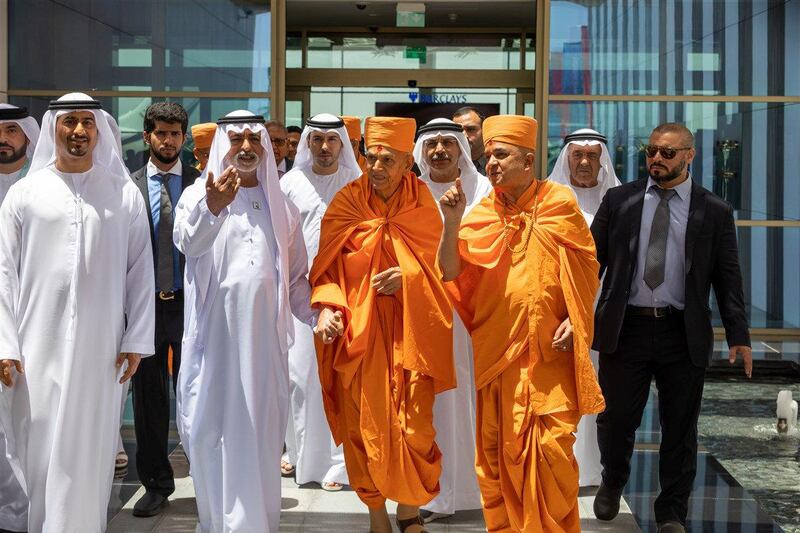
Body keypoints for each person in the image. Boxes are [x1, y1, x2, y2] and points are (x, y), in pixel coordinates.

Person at [174, 110, 340, 533]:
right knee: (213, 435)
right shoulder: (197, 194)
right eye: (236, 139)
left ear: (266, 147)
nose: (246, 147)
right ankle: (219, 524)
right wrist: (214, 207)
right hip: (216, 345)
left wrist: (316, 314)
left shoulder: (281, 207)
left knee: (262, 435)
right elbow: (188, 243)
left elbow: (297, 280)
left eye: (254, 139)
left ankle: (256, 524)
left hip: (266, 348)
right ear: (221, 146)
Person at [438, 115, 604, 532]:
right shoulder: (479, 214)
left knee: (551, 453)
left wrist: (576, 316)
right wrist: (453, 221)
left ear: (528, 161)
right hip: (497, 356)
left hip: (550, 355)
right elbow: (448, 271)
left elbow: (586, 268)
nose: (490, 162)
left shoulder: (559, 204)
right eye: (489, 155)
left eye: (501, 154)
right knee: (497, 456)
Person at [0, 92, 154, 532]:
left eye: (88, 122)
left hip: (101, 348)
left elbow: (140, 272)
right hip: (35, 346)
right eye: (70, 122)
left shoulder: (123, 194)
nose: (79, 131)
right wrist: (5, 344)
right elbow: (3, 274)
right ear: (54, 129)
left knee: (91, 448)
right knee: (39, 444)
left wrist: (137, 340)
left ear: (100, 130)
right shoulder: (26, 194)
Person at [590, 123, 752, 533]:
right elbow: (589, 264)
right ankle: (613, 478)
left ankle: (671, 510)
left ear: (689, 156)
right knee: (615, 418)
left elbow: (727, 277)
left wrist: (739, 336)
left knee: (680, 426)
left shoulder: (714, 210)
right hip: (625, 328)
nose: (656, 160)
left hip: (682, 332)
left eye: (667, 153)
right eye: (652, 152)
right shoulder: (620, 200)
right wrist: (567, 314)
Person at [311, 116, 455, 533]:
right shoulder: (347, 203)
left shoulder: (423, 203)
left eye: (386, 160)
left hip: (411, 336)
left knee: (415, 426)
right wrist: (328, 310)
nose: (375, 167)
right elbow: (326, 272)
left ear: (408, 161)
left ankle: (408, 511)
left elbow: (443, 271)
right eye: (370, 157)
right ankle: (377, 515)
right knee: (363, 428)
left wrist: (407, 276)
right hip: (359, 335)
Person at [411, 118, 490, 522]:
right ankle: (433, 492)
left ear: (462, 148)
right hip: (420, 313)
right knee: (430, 404)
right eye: (432, 144)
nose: (439, 150)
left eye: (448, 142)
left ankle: (474, 491)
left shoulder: (485, 191)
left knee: (468, 402)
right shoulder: (409, 192)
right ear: (421, 151)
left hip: (472, 315)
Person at [279, 114, 361, 490]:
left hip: (349, 295)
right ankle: (303, 460)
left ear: (342, 144)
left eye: (332, 140)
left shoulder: (356, 184)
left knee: (343, 378)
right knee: (301, 378)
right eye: (317, 140)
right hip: (301, 296)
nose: (325, 147)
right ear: (307, 143)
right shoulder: (289, 183)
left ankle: (341, 466)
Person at [129, 102, 201, 517]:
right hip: (145, 309)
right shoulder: (129, 186)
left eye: (175, 133)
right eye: (161, 133)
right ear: (147, 135)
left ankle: (207, 477)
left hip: (191, 308)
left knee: (196, 395)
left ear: (184, 137)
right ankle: (156, 485)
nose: (168, 140)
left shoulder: (199, 183)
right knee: (149, 401)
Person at [547, 127, 621, 487]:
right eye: (578, 155)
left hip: (602, 314)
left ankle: (590, 470)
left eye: (592, 155)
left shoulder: (619, 202)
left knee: (598, 389)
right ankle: (556, 465)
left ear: (602, 160)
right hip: (555, 313)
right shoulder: (547, 200)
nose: (585, 162)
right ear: (567, 159)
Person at [0, 103, 39, 533]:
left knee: (22, 423)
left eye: (13, 130)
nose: (5, 138)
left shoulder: (39, 187)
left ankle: (23, 515)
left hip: (29, 323)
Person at [452, 106, 487, 175]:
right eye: (459, 130)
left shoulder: (496, 163)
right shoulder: (446, 165)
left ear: (484, 130)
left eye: (470, 129)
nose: (464, 135)